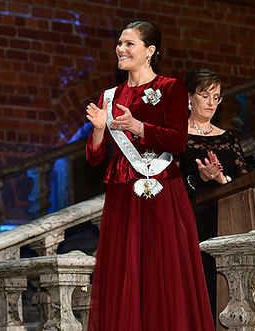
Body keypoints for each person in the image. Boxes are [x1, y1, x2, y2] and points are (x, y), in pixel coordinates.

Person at [84, 20, 213, 331]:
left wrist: (137, 127)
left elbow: (178, 141)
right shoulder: (110, 96)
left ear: (150, 51)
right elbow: (95, 158)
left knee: (163, 271)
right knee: (125, 271)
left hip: (163, 190)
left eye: (129, 44)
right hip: (123, 194)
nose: (121, 49)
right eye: (119, 43)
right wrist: (100, 130)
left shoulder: (170, 88)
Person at [180, 68, 248, 322]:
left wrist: (223, 180)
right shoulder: (177, 136)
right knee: (200, 289)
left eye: (216, 97)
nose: (211, 103)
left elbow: (244, 178)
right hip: (193, 223)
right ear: (189, 98)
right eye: (205, 95)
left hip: (230, 221)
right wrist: (201, 177)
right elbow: (170, 182)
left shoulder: (228, 137)